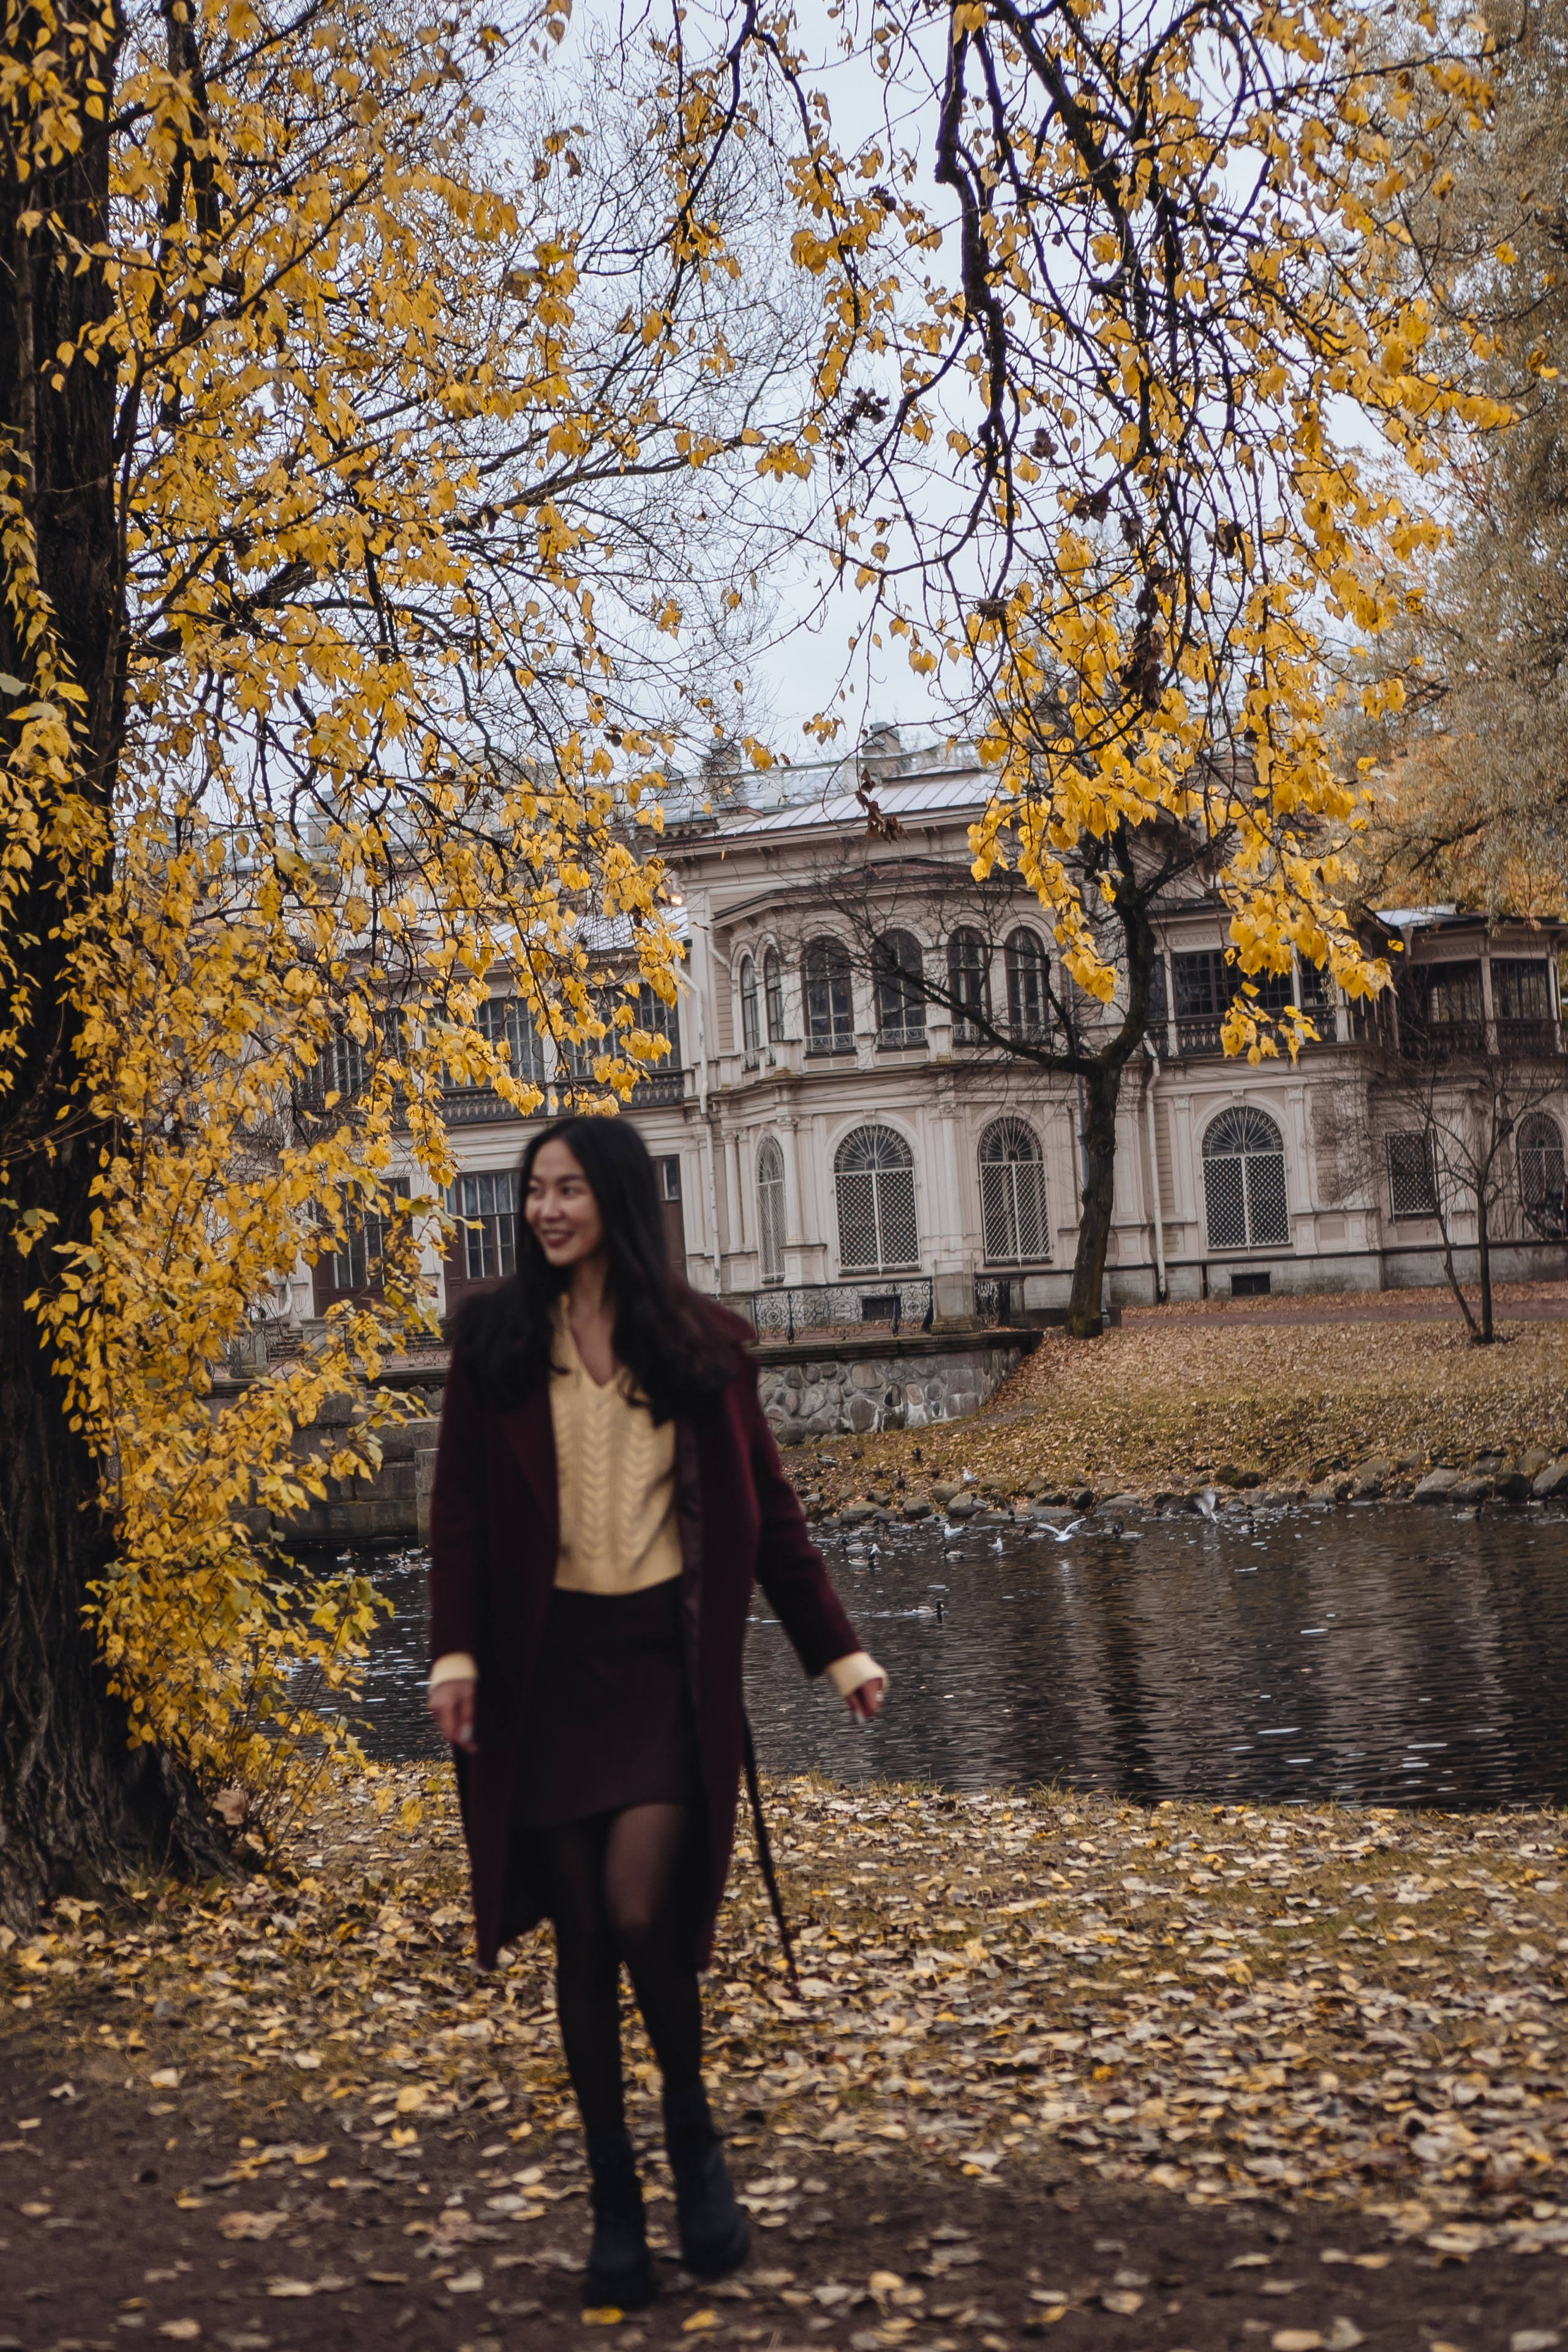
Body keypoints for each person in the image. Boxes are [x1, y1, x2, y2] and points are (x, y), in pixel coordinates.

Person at [426, 1115, 886, 2310]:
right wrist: (454, 1654)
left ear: (617, 1201)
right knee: (582, 1935)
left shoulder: (700, 1347)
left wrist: (837, 1651)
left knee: (641, 1909)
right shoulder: (496, 1345)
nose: (545, 1209)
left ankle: (693, 2142)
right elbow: (460, 1516)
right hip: (544, 1676)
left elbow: (768, 1515)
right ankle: (615, 2203)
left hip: (663, 1675)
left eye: (569, 1189)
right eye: (535, 1189)